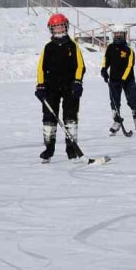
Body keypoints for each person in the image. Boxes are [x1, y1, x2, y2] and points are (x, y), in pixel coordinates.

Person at [35, 13, 86, 161]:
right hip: (50, 87)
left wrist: (77, 82)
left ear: (66, 26)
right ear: (51, 29)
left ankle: (71, 148)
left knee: (70, 116)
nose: (59, 29)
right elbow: (40, 68)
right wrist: (40, 85)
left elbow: (80, 66)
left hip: (69, 87)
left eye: (61, 25)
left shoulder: (73, 46)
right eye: (55, 26)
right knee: (49, 118)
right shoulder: (48, 47)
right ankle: (49, 149)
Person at [101, 24, 136, 134]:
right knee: (114, 101)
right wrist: (104, 69)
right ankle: (117, 121)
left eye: (120, 34)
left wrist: (123, 79)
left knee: (132, 100)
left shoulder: (129, 50)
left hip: (128, 80)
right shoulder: (110, 48)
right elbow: (106, 60)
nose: (118, 36)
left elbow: (129, 66)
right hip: (114, 80)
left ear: (124, 35)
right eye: (116, 34)